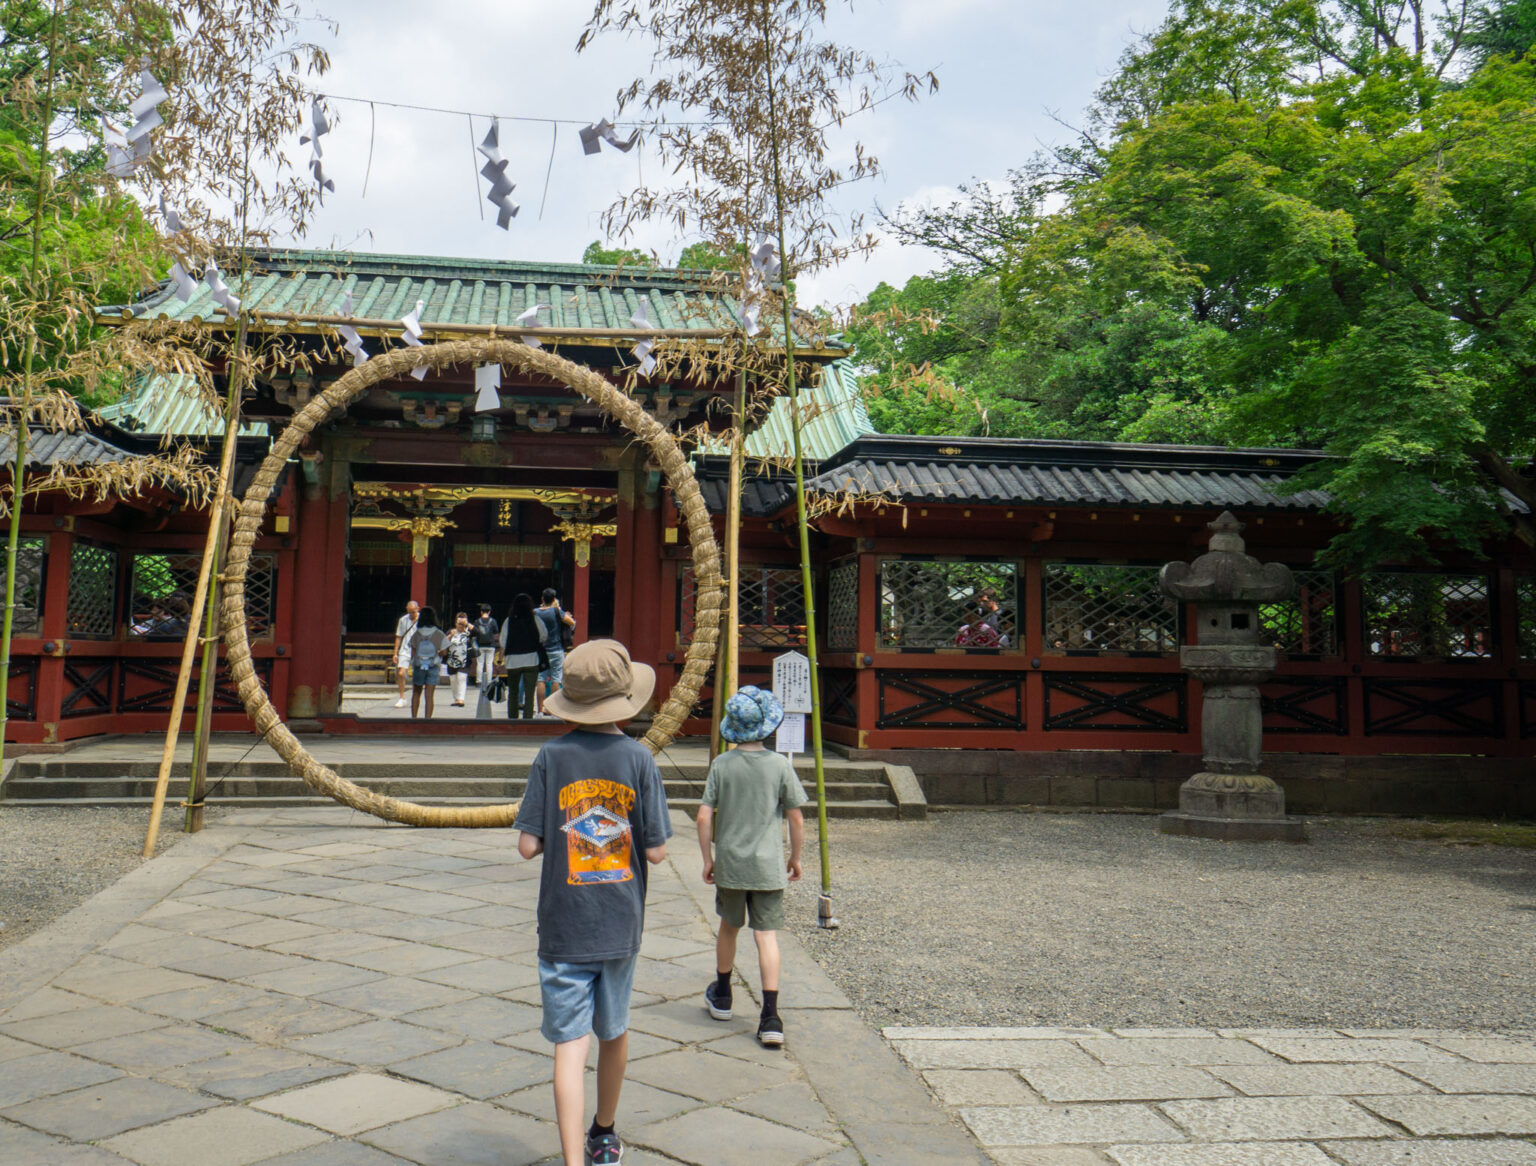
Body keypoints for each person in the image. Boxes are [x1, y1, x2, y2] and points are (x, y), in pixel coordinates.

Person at [513, 639, 671, 1166]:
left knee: (569, 1044)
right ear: (625, 700)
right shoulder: (639, 758)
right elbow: (657, 851)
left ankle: (571, 1160)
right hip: (620, 921)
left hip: (564, 922)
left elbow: (527, 845)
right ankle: (603, 1132)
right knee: (614, 1029)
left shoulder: (550, 756)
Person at [697, 686, 807, 1049]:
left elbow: (703, 816)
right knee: (766, 936)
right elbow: (796, 817)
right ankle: (770, 1016)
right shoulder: (779, 765)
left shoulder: (722, 764)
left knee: (729, 927)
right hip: (767, 865)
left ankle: (723, 995)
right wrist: (795, 857)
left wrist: (708, 858)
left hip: (731, 863)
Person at [498, 592, 547, 720]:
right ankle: (527, 719)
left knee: (513, 692)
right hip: (531, 659)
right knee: (530, 693)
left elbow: (503, 641)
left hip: (513, 661)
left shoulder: (509, 621)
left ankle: (513, 719)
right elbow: (543, 636)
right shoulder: (535, 619)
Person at [535, 587, 578, 717]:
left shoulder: (535, 612)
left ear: (542, 599)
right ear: (554, 599)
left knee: (541, 679)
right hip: (556, 649)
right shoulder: (556, 611)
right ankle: (553, 710)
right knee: (556, 679)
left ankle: (540, 710)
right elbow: (572, 623)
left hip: (541, 650)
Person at [408, 606, 447, 719]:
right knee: (429, 695)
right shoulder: (439, 634)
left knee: (416, 692)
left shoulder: (417, 634)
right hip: (433, 665)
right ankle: (427, 719)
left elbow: (413, 651)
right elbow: (444, 652)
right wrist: (437, 654)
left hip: (419, 665)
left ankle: (414, 718)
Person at [392, 600, 420, 709]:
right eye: (409, 612)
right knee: (401, 673)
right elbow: (398, 636)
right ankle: (402, 697)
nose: (411, 614)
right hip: (405, 648)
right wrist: (395, 653)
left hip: (419, 649)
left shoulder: (423, 619)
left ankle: (416, 696)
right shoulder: (403, 620)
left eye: (413, 612)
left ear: (417, 609)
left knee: (418, 675)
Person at [444, 612, 475, 707]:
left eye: (462, 623)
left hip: (464, 660)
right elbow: (443, 643)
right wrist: (450, 636)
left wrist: (468, 625)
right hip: (452, 660)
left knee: (461, 677)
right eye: (459, 623)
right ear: (455, 623)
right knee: (453, 680)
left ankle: (461, 699)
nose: (461, 625)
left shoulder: (468, 633)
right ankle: (456, 698)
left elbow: (479, 633)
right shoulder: (451, 632)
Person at [472, 603, 500, 688]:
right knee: (489, 663)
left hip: (480, 645)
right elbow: (496, 633)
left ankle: (479, 681)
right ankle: (488, 681)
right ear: (489, 612)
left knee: (480, 663)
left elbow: (474, 632)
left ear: (481, 612)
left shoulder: (477, 621)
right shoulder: (493, 621)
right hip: (491, 645)